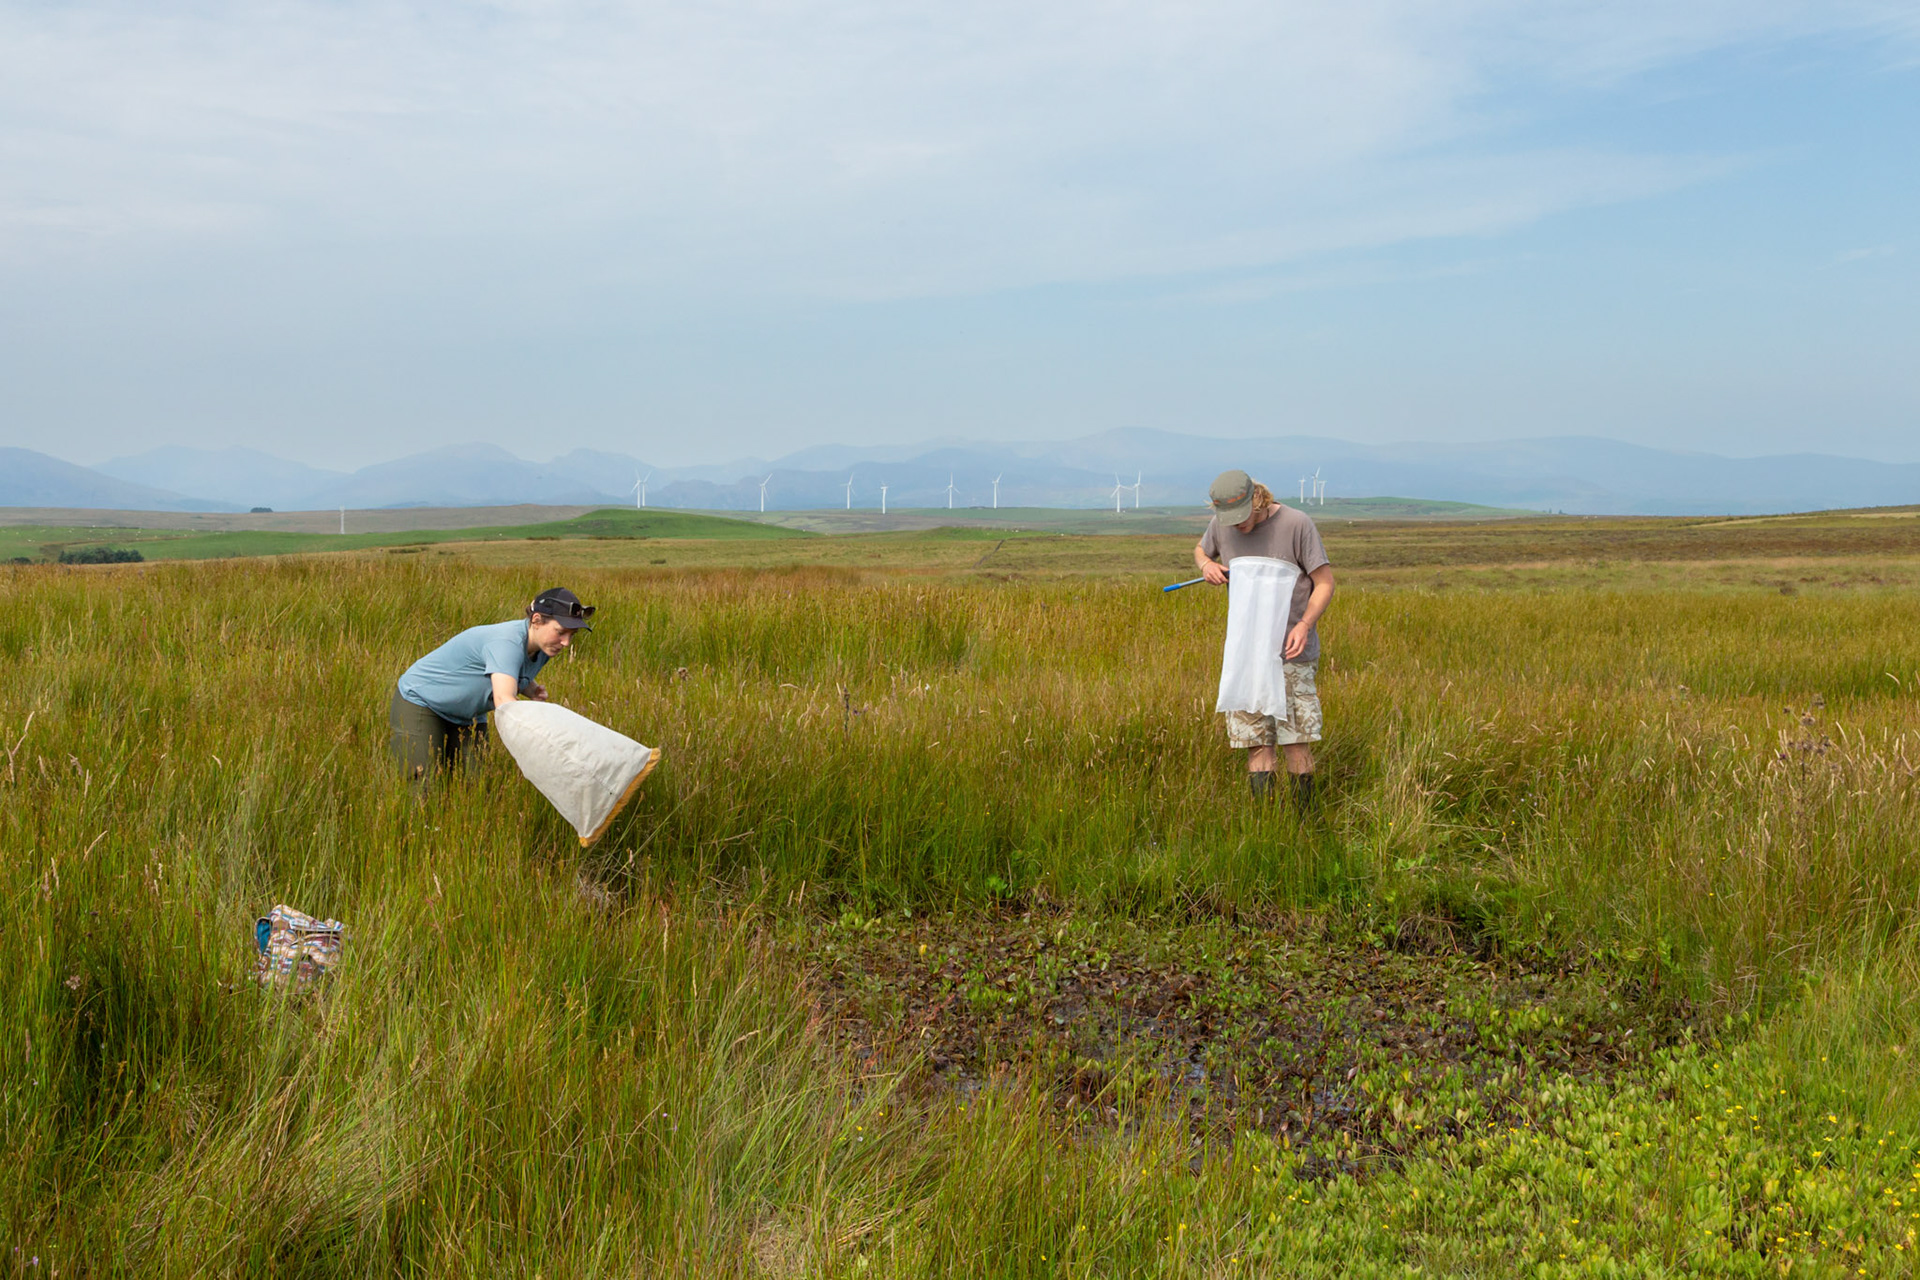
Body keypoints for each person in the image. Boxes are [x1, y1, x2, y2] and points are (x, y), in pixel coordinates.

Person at [1194, 471, 1335, 806]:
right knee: (1256, 743)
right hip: (1246, 657)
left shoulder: (1297, 524)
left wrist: (1304, 625)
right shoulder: (1221, 525)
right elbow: (1201, 550)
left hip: (1291, 653)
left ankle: (1305, 826)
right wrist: (1205, 567)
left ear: (1257, 499)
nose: (1236, 526)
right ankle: (1265, 829)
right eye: (1228, 520)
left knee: (1296, 742)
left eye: (1241, 518)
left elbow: (1325, 582)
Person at [389, 587, 594, 778]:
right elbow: (504, 700)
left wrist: (530, 689)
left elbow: (508, 670)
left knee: (474, 780)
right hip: (422, 701)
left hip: (467, 713)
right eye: (560, 632)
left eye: (571, 635)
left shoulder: (544, 648)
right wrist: (544, 744)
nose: (566, 642)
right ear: (537, 620)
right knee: (422, 780)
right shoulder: (507, 642)